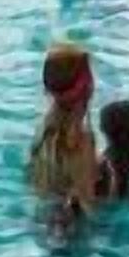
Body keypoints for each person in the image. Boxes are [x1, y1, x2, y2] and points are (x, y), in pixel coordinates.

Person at [25, 42, 103, 223]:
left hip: (40, 219)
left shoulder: (44, 130)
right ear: (88, 87)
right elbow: (86, 205)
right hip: (72, 232)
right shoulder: (81, 142)